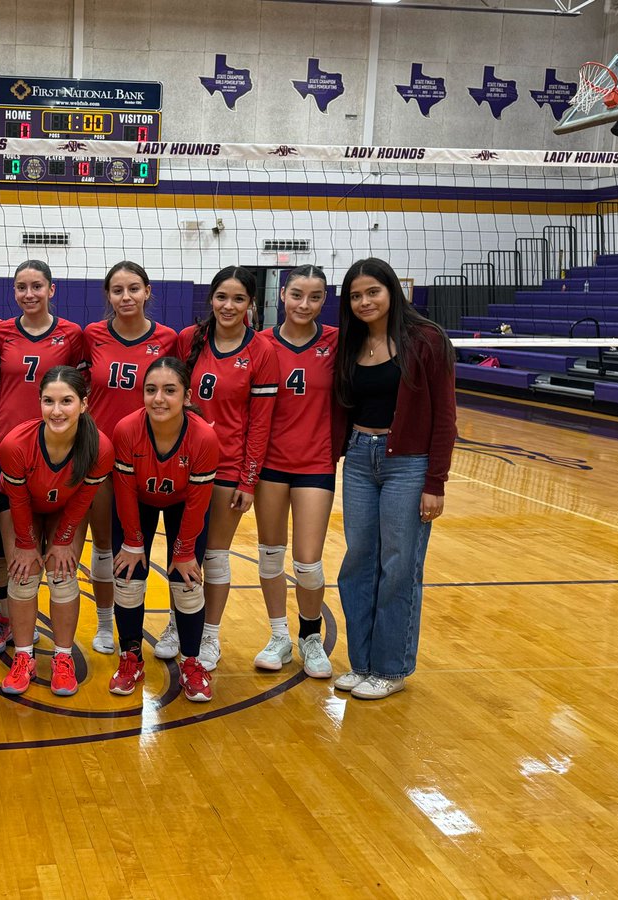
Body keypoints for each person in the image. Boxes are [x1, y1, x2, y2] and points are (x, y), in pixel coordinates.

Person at [333, 258, 457, 700]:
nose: (364, 301)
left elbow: (445, 417)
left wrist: (435, 483)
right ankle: (362, 662)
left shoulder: (426, 340)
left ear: (392, 291)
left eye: (372, 292)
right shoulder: (351, 342)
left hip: (408, 463)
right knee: (358, 562)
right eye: (355, 295)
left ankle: (391, 667)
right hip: (361, 461)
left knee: (399, 566)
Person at [174, 266, 278, 671]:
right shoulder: (190, 340)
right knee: (184, 551)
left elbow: (260, 423)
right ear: (211, 299)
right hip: (182, 463)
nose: (228, 305)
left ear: (251, 303)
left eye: (238, 298)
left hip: (229, 467)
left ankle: (208, 636)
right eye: (221, 297)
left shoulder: (261, 351)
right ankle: (178, 625)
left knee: (213, 555)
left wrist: (248, 480)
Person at [0, 260, 88, 654]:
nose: (29, 294)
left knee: (59, 554)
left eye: (37, 286)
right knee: (1, 547)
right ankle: (2, 618)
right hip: (6, 448)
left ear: (52, 289)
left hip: (60, 449)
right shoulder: (1, 331)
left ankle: (59, 645)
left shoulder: (71, 334)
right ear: (13, 292)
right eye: (21, 287)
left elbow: (80, 382)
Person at [0, 366, 112, 696]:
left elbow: (82, 502)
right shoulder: (16, 444)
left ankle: (63, 658)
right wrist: (26, 544)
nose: (57, 410)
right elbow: (17, 501)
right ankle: (23, 657)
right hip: (22, 507)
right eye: (49, 401)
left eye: (66, 401)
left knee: (63, 574)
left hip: (65, 508)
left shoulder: (99, 448)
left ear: (84, 404)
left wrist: (62, 542)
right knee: (23, 573)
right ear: (40, 402)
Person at [110, 357, 218, 701]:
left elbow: (199, 501)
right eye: (151, 390)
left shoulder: (203, 437)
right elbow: (124, 491)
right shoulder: (127, 429)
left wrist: (185, 551)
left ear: (187, 396)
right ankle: (130, 657)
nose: (159, 398)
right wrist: (132, 541)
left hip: (184, 504)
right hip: (136, 501)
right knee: (127, 578)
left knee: (187, 584)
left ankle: (191, 662)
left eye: (169, 391)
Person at [83, 261, 178, 656]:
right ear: (108, 295)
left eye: (133, 289)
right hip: (102, 455)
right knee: (107, 545)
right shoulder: (91, 335)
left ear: (148, 291)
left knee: (172, 546)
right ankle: (106, 624)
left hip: (153, 457)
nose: (126, 297)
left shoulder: (169, 339)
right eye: (118, 290)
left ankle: (178, 624)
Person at [252, 265, 337, 680]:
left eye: (315, 297)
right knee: (270, 556)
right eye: (298, 295)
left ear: (325, 299)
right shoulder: (261, 343)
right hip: (269, 464)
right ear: (282, 295)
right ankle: (279, 636)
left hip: (315, 463)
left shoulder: (337, 342)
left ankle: (310, 637)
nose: (305, 304)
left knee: (308, 563)